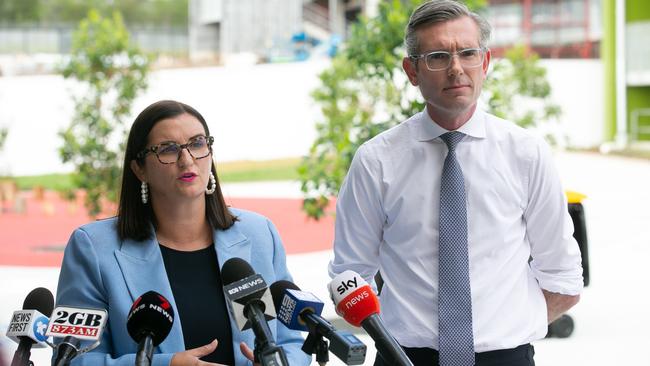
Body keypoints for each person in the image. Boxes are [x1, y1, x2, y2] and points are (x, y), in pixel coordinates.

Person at [328, 1, 583, 366]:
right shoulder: (376, 161)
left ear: (486, 62)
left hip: (505, 357)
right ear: (412, 71)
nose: (456, 68)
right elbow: (349, 274)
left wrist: (512, 330)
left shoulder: (526, 153)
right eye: (437, 57)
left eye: (467, 53)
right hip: (403, 357)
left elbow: (563, 275)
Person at [55, 100, 311, 366]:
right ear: (139, 168)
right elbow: (71, 359)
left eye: (198, 144)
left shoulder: (260, 234)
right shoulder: (93, 248)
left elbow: (293, 340)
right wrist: (167, 364)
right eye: (168, 149)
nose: (186, 159)